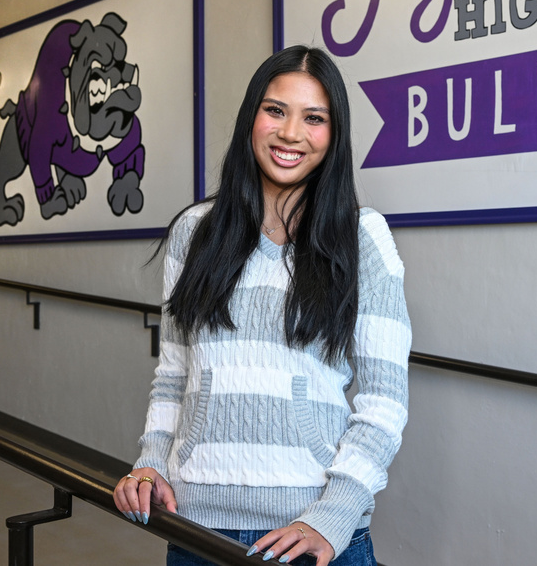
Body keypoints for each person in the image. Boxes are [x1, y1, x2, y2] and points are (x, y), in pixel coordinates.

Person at [113, 45, 412, 566]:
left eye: (313, 118)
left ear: (333, 134)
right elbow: (175, 374)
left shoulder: (363, 237)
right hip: (197, 527)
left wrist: (335, 514)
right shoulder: (195, 232)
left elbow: (384, 403)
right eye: (275, 110)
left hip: (310, 532)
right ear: (251, 117)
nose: (291, 133)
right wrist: (151, 462)